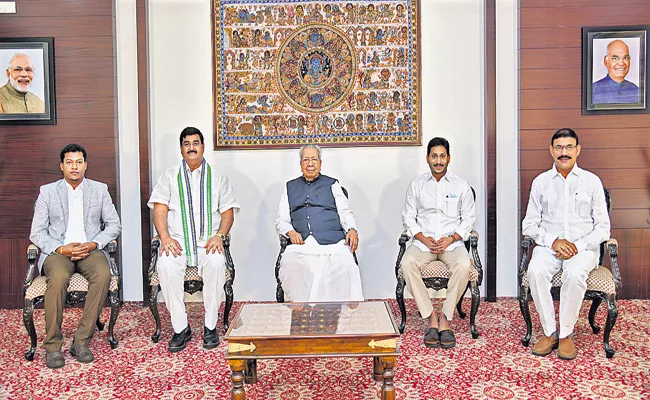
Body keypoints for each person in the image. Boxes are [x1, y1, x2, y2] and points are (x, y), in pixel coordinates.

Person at [29, 144, 121, 369]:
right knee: (58, 279)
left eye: (79, 162)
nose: (74, 167)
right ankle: (52, 346)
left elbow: (114, 224)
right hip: (59, 250)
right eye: (69, 162)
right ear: (61, 166)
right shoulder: (48, 192)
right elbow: (37, 232)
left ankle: (81, 342)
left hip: (90, 249)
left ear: (85, 165)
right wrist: (61, 249)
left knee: (103, 275)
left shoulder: (99, 190)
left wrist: (94, 243)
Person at [148, 127, 240, 352]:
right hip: (177, 241)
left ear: (203, 147)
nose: (191, 147)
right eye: (187, 143)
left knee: (218, 263)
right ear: (181, 149)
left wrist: (220, 236)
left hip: (207, 242)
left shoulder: (218, 178)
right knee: (166, 266)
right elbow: (159, 210)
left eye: (195, 143)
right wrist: (165, 237)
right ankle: (181, 328)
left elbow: (228, 212)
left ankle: (210, 327)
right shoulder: (169, 177)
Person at [523, 128, 610, 360]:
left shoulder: (592, 182)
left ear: (577, 150)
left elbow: (603, 227)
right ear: (551, 151)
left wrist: (577, 246)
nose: (564, 152)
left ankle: (566, 335)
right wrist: (553, 241)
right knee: (535, 270)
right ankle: (550, 332)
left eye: (569, 147)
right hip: (549, 246)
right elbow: (529, 225)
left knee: (574, 274)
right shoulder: (540, 182)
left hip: (583, 249)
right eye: (559, 148)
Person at [400, 137, 475, 349]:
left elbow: (468, 219)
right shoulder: (416, 185)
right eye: (434, 156)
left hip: (451, 244)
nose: (438, 161)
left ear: (449, 158)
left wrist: (451, 239)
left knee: (464, 265)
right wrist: (423, 238)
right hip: (423, 244)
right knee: (406, 264)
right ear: (427, 159)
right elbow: (408, 217)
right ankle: (431, 317)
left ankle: (446, 319)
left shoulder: (461, 186)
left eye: (442, 156)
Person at [275, 144, 363, 302]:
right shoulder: (290, 187)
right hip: (302, 244)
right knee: (290, 264)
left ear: (320, 163)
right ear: (300, 164)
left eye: (314, 159)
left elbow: (345, 212)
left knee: (345, 266)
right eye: (306, 160)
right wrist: (291, 232)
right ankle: (300, 312)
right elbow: (281, 219)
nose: (310, 164)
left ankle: (337, 316)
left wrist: (351, 229)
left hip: (333, 243)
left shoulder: (333, 184)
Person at [592, 40, 640, 104]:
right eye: (615, 58)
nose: (621, 63)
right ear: (606, 62)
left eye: (625, 58)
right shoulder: (593, 90)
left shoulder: (636, 90)